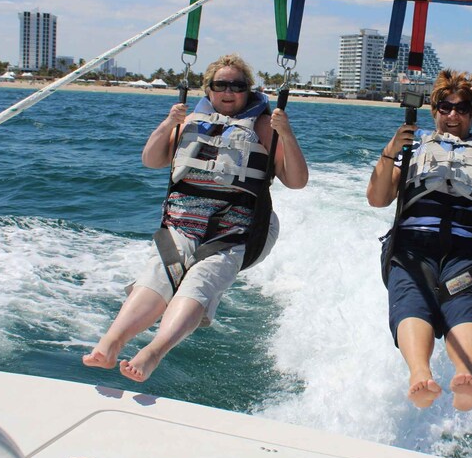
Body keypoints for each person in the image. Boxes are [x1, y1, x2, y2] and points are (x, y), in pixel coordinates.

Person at [83, 53, 308, 382]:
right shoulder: (190, 121)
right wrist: (168, 124)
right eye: (220, 85)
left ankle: (153, 351)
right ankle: (110, 342)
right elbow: (152, 160)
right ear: (208, 89)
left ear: (249, 90)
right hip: (181, 224)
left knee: (200, 281)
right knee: (159, 274)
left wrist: (286, 133)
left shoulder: (263, 126)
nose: (228, 91)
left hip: (237, 230)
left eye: (237, 85)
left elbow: (297, 180)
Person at [366, 67, 472, 411]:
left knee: (466, 308)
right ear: (435, 110)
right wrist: (389, 153)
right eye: (445, 107)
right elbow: (377, 198)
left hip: (468, 251)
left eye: (462, 108)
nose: (453, 114)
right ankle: (419, 375)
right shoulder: (411, 152)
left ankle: (465, 376)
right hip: (413, 247)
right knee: (411, 303)